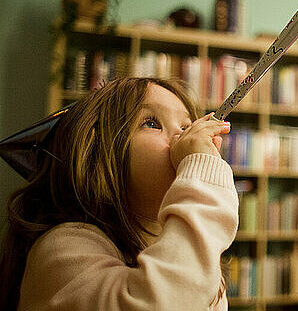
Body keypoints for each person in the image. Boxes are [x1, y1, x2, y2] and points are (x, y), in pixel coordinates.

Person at [0, 77, 238, 310]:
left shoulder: (205, 269)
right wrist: (202, 170)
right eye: (152, 123)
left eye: (186, 127)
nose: (183, 137)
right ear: (96, 156)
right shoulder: (63, 248)